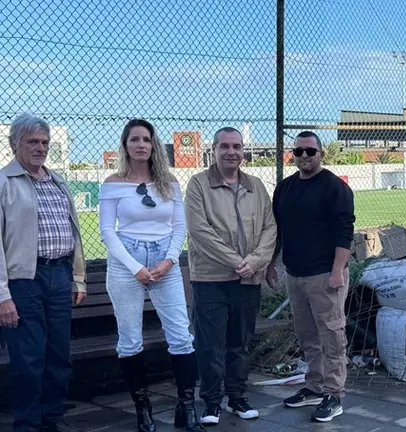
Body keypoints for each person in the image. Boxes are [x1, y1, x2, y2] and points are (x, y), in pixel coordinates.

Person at [98, 119, 203, 432]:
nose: (141, 144)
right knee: (130, 340)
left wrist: (170, 260)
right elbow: (107, 231)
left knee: (181, 337)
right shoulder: (113, 182)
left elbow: (179, 227)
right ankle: (143, 410)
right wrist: (136, 268)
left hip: (163, 261)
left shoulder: (168, 182)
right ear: (126, 144)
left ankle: (187, 408)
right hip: (126, 260)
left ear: (153, 144)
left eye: (146, 139)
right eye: (134, 139)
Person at [0, 113, 87, 432]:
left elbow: (74, 233)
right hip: (23, 282)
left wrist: (77, 278)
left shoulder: (59, 181)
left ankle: (52, 419)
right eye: (32, 141)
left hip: (59, 276)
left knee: (58, 355)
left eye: (45, 142)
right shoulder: (3, 183)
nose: (40, 148)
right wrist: (2, 296)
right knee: (28, 359)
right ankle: (27, 424)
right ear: (14, 144)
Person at [184, 127, 277, 426]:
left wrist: (255, 262)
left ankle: (237, 396)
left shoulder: (256, 186)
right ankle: (211, 402)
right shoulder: (198, 185)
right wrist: (238, 262)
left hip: (247, 279)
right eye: (224, 146)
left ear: (243, 151)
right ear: (214, 149)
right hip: (211, 279)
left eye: (236, 146)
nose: (231, 151)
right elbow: (200, 233)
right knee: (210, 344)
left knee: (239, 342)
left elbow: (270, 228)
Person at [266, 130, 355, 423]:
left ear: (321, 154)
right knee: (307, 336)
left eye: (310, 151)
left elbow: (345, 231)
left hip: (325, 275)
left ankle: (334, 394)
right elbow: (278, 231)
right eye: (299, 151)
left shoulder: (334, 188)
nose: (304, 156)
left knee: (332, 335)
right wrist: (270, 265)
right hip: (295, 274)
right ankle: (315, 386)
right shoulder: (285, 188)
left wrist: (336, 272)